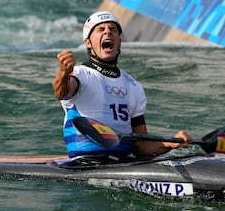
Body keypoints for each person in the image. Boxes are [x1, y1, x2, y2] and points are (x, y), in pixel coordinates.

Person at [53, 11, 192, 159]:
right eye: (101, 29)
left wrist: (171, 143)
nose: (107, 32)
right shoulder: (80, 74)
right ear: (88, 43)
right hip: (84, 161)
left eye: (112, 29)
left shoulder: (134, 86)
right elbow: (61, 92)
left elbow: (140, 147)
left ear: (119, 41)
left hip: (123, 162)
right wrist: (63, 72)